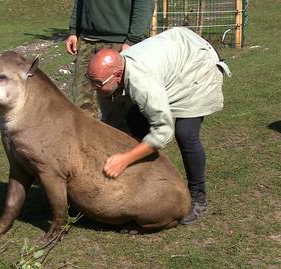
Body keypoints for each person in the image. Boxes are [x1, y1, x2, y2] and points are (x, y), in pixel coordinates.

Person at [85, 27, 231, 224]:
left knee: (185, 133)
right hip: (174, 57)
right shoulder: (106, 80)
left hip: (197, 65)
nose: (94, 87)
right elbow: (111, 120)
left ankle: (198, 197)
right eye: (91, 80)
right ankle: (150, 176)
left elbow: (163, 130)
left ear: (118, 76)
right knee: (135, 118)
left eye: (98, 83)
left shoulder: (141, 82)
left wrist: (125, 158)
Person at [65, 0, 155, 116]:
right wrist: (73, 30)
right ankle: (88, 134)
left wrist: (133, 40)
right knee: (82, 104)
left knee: (119, 106)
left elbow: (143, 4)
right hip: (87, 41)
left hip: (119, 43)